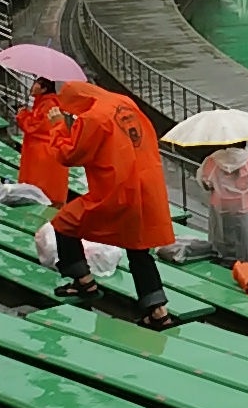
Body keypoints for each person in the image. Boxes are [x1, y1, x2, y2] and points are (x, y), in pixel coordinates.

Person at [50, 83, 175, 329]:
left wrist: (57, 126)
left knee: (65, 222)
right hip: (146, 185)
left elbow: (70, 155)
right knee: (138, 247)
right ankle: (158, 310)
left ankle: (83, 280)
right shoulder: (123, 102)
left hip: (117, 190)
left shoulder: (92, 118)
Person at [197, 143, 248, 263]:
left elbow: (205, 181)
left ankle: (220, 258)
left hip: (219, 204)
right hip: (243, 205)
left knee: (220, 234)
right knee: (244, 237)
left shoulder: (213, 159)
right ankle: (245, 263)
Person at [14, 77, 71, 205]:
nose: (33, 85)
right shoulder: (44, 103)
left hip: (43, 154)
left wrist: (22, 115)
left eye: (36, 83)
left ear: (44, 89)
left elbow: (35, 126)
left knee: (42, 190)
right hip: (41, 152)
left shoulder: (49, 104)